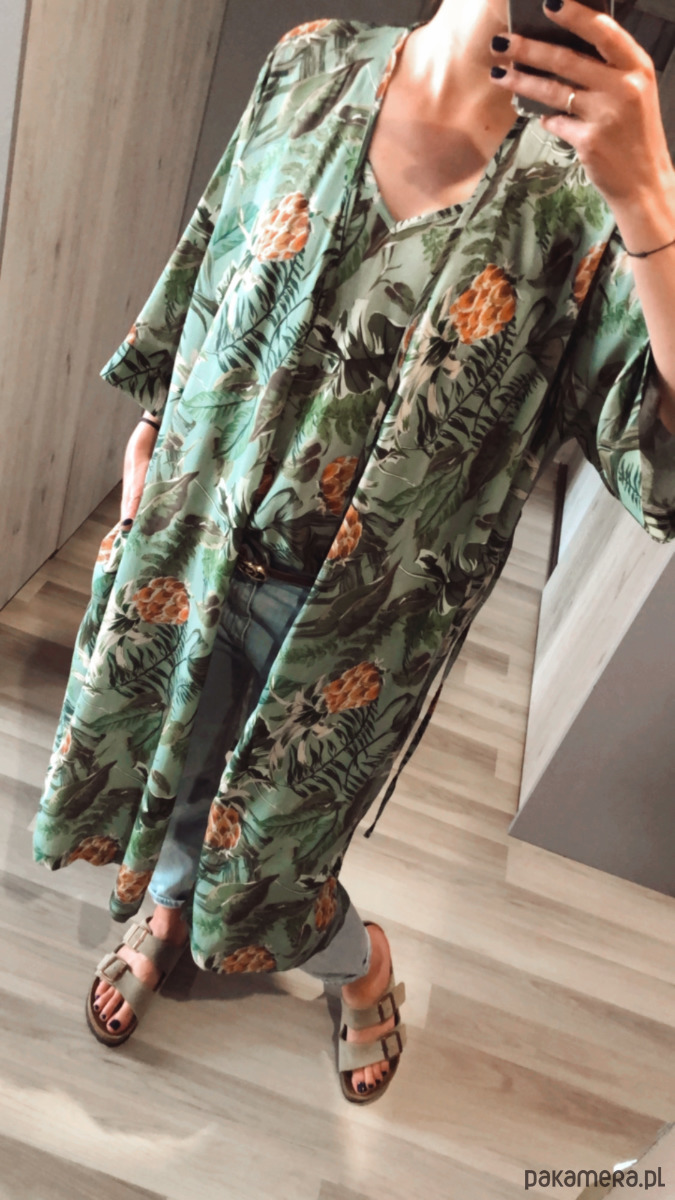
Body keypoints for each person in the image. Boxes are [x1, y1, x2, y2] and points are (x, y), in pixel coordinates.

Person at [32, 0, 675, 1105]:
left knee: (277, 858)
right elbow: (216, 255)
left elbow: (661, 459)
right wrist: (147, 429)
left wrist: (651, 208)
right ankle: (168, 911)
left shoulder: (584, 205)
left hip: (352, 630)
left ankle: (357, 959)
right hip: (187, 547)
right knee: (172, 769)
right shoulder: (311, 63)